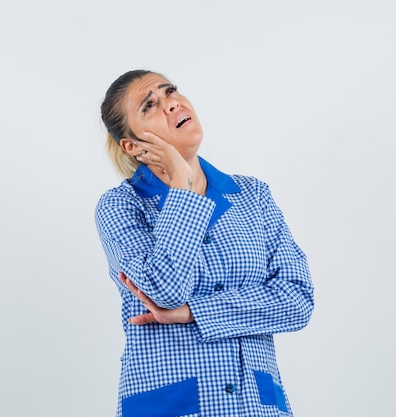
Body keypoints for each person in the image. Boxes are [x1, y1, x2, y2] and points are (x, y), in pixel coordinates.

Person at [95, 69, 314, 417]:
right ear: (133, 146)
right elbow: (163, 291)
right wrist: (182, 183)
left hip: (254, 406)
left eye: (171, 92)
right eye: (150, 105)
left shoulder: (252, 195)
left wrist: (193, 313)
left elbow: (297, 299)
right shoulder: (120, 206)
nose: (171, 104)